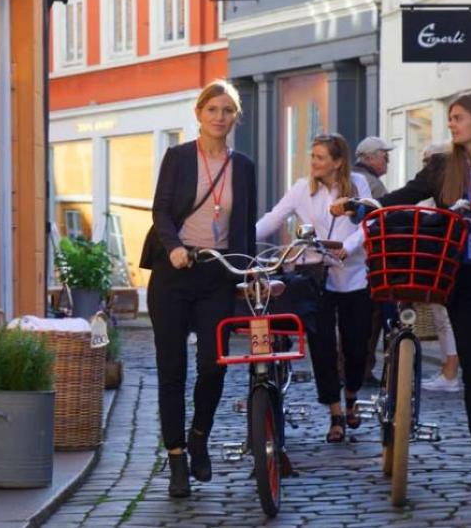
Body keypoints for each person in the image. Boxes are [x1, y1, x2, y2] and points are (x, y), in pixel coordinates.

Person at [333, 94, 471, 487]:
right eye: (450, 119)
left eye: (458, 118)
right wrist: (360, 207)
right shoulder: (442, 166)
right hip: (462, 281)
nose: (452, 125)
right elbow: (400, 199)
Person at [141, 80, 257, 498]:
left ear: (235, 117)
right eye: (213, 110)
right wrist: (172, 248)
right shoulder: (177, 157)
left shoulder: (242, 165)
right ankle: (176, 460)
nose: (219, 118)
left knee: (214, 363)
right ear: (199, 114)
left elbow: (244, 224)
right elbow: (161, 211)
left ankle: (199, 435)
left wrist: (247, 272)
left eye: (227, 111)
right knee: (172, 370)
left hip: (217, 274)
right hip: (173, 273)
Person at [257, 133, 372, 443]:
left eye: (320, 157)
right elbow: (273, 218)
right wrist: (241, 240)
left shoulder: (357, 184)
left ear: (337, 162)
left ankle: (351, 396)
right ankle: (335, 413)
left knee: (356, 344)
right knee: (321, 346)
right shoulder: (300, 189)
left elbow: (367, 221)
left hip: (354, 274)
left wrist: (348, 247)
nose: (314, 163)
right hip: (315, 274)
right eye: (313, 156)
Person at [411, 143, 462, 393]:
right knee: (441, 316)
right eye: (424, 160)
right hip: (433, 261)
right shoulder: (430, 194)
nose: (426, 166)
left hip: (446, 262)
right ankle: (447, 368)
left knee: (446, 316)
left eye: (430, 160)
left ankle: (451, 371)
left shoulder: (447, 194)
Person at [352, 137, 392, 385]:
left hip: (355, 257)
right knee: (372, 316)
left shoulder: (353, 177)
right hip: (370, 258)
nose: (387, 160)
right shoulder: (371, 184)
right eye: (383, 155)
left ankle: (352, 369)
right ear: (369, 158)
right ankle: (363, 369)